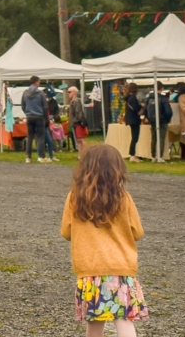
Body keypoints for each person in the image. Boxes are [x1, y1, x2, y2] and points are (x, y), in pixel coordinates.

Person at [60, 144, 148, 336]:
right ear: (117, 169)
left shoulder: (75, 198)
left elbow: (67, 232)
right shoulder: (124, 198)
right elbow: (137, 232)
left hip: (90, 270)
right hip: (121, 269)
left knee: (95, 321)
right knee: (123, 318)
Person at [22, 75, 56, 163]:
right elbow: (45, 107)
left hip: (29, 116)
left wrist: (27, 113)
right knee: (40, 137)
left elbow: (23, 105)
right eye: (39, 81)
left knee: (29, 137)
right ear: (36, 82)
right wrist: (46, 119)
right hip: (39, 117)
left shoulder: (25, 93)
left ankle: (28, 157)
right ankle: (41, 156)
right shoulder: (41, 93)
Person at [143, 87, 172, 161]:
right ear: (161, 88)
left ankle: (153, 156)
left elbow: (145, 110)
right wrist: (167, 119)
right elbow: (168, 111)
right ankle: (160, 156)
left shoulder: (149, 98)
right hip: (162, 121)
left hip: (152, 120)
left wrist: (149, 118)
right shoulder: (163, 98)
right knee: (161, 139)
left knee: (154, 138)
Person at [123, 83, 142, 162]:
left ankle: (132, 154)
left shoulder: (127, 98)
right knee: (135, 138)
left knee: (134, 137)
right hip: (134, 119)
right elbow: (136, 109)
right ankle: (132, 155)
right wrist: (141, 106)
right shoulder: (133, 98)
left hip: (130, 119)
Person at [67, 86, 87, 151]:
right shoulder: (73, 101)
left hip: (78, 123)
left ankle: (88, 152)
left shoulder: (76, 100)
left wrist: (73, 122)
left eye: (69, 92)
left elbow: (78, 114)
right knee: (78, 140)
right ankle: (81, 155)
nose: (68, 94)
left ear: (74, 92)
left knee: (81, 139)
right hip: (75, 124)